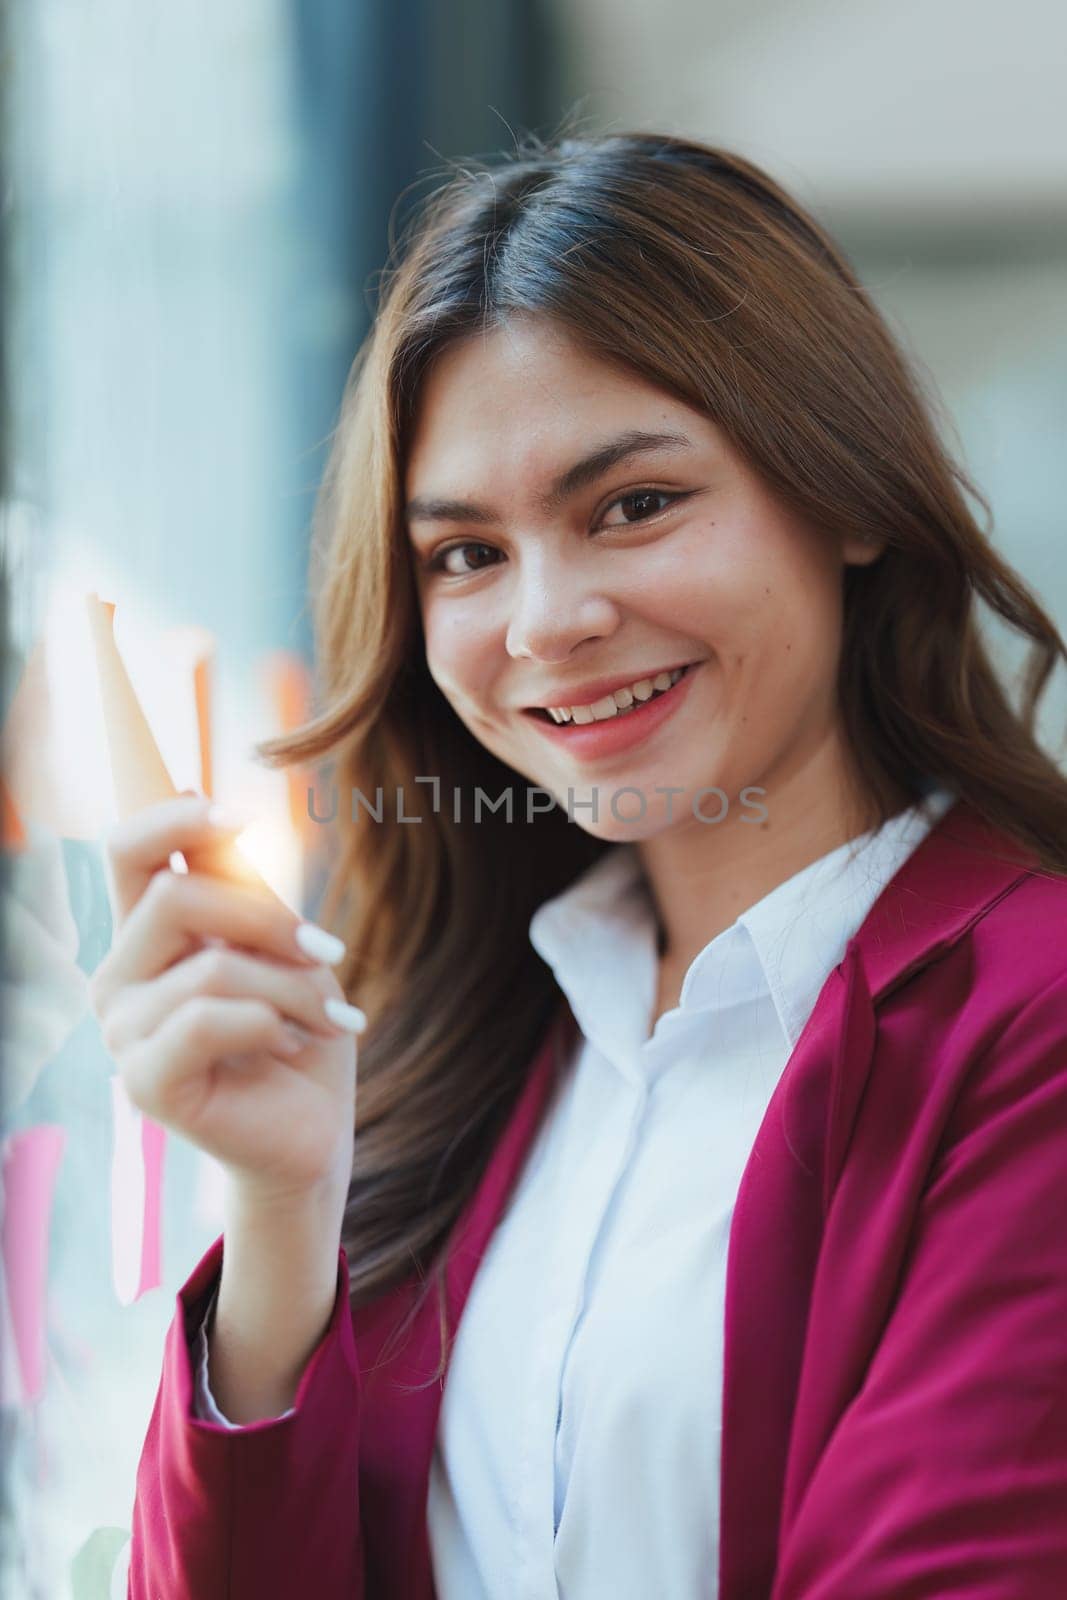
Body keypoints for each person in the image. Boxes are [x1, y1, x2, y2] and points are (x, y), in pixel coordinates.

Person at [90, 131, 1067, 1599]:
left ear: (851, 497)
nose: (548, 621)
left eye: (633, 506)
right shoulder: (476, 1034)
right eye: (466, 555)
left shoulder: (1032, 1014)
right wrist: (279, 1215)